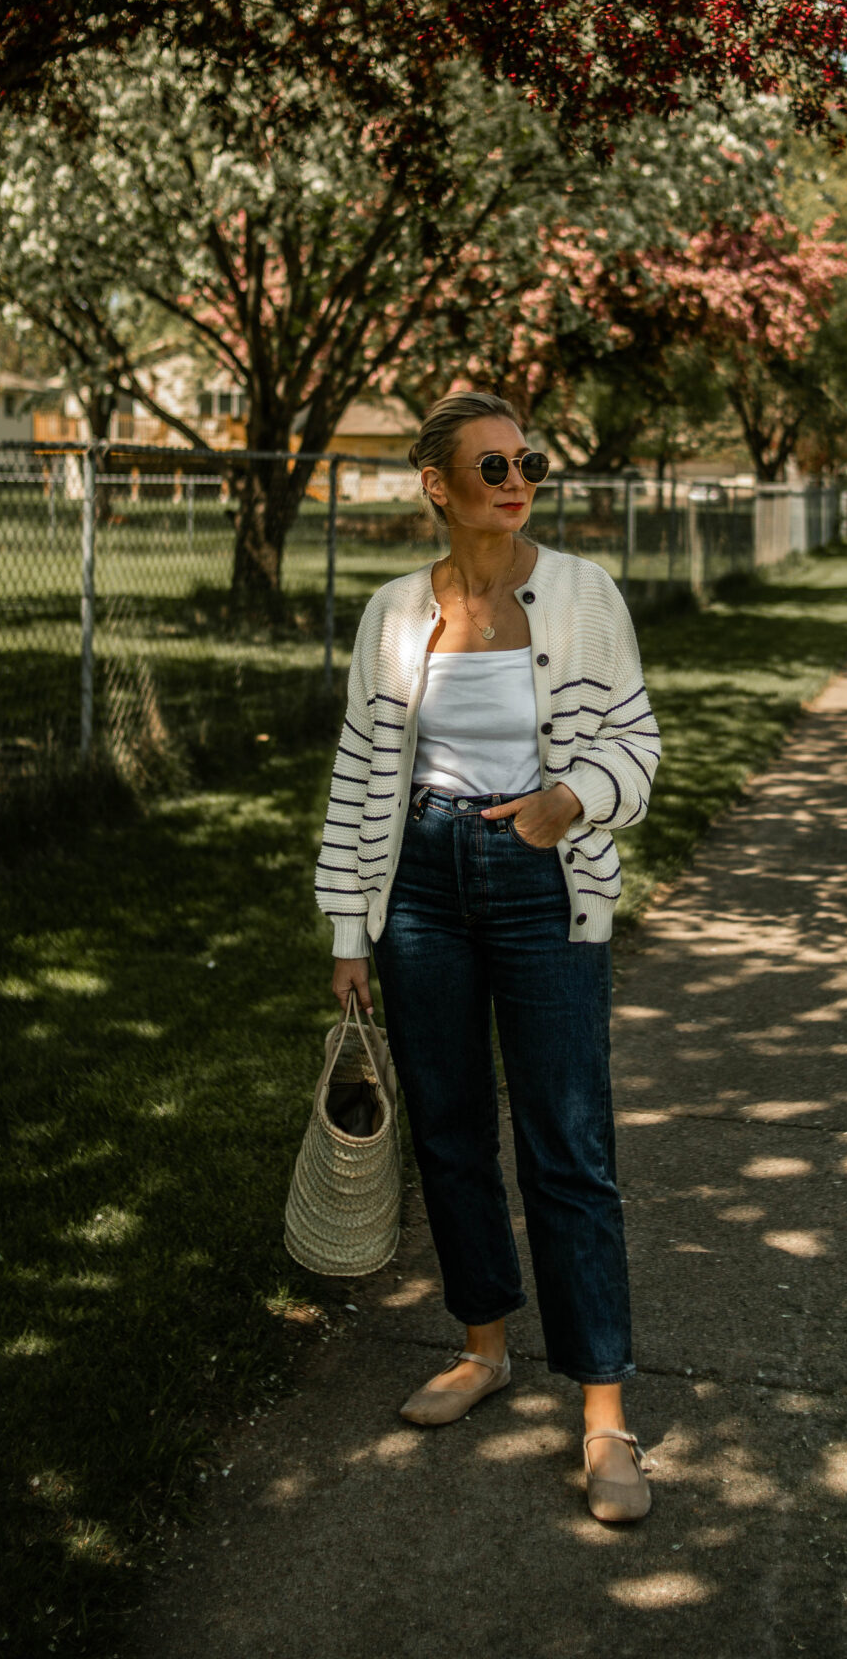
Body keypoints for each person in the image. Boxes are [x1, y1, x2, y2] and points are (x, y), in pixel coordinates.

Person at [314, 390, 661, 1524]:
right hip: (417, 881)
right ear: (437, 485)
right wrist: (349, 928)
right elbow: (364, 770)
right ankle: (483, 1346)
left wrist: (570, 802)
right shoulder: (391, 614)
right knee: (452, 1130)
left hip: (540, 877)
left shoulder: (581, 594)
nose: (517, 481)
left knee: (568, 1144)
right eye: (492, 464)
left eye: (530, 462)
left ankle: (604, 1416)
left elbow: (638, 743)